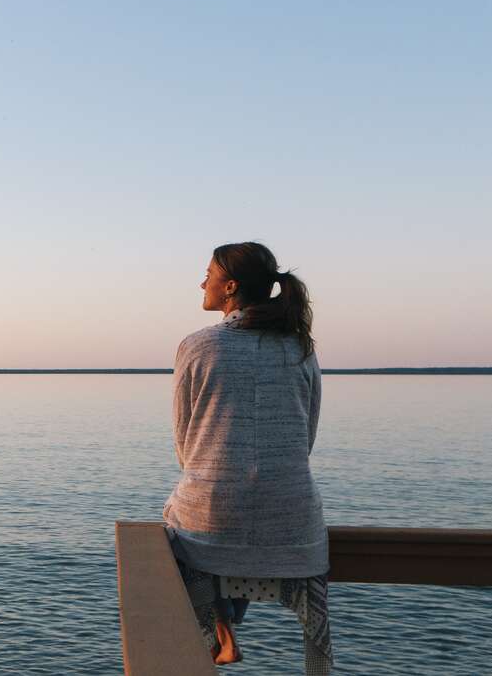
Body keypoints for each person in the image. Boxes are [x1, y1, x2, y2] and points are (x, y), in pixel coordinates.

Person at [163, 242, 332, 674]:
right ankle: (227, 629)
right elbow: (306, 436)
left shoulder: (198, 345)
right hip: (295, 520)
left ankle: (220, 629)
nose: (201, 283)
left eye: (209, 275)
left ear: (230, 287)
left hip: (214, 517)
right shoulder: (299, 346)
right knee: (232, 519)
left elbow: (185, 443)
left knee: (184, 524)